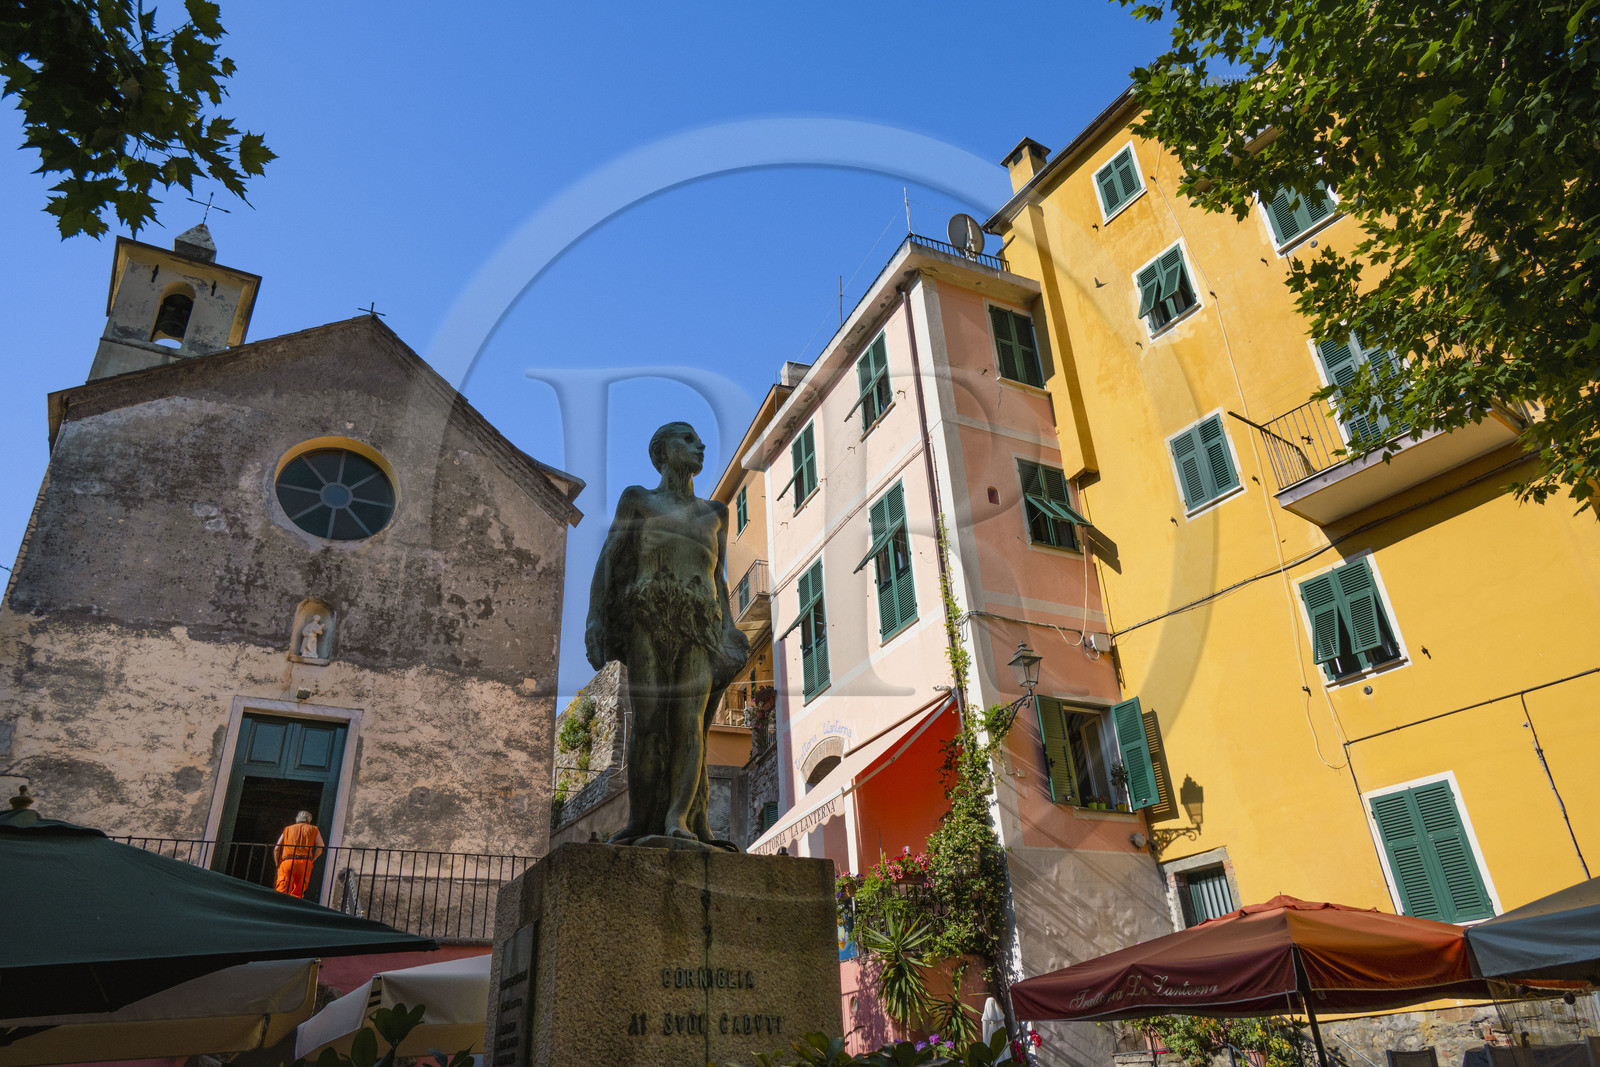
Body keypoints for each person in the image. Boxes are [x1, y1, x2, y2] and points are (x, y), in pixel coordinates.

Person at [585, 422, 749, 849]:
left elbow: (718, 579)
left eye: (698, 441)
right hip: (648, 618)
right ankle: (641, 821)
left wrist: (729, 630)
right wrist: (595, 620)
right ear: (661, 451)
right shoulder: (638, 500)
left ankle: (679, 819)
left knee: (689, 723)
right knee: (649, 723)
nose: (700, 446)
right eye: (688, 439)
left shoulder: (716, 513)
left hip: (699, 625)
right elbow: (609, 560)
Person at [273, 810, 325, 897]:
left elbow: (277, 848)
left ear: (297, 819)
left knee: (281, 892)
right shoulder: (314, 829)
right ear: (309, 820)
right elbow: (320, 846)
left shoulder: (288, 829)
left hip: (287, 861)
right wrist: (312, 860)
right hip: (305, 863)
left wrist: (278, 864)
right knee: (298, 893)